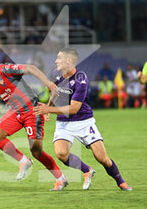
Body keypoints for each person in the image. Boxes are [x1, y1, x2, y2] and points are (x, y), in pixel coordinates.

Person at [34, 48, 132, 191]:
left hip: (84, 121)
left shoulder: (81, 78)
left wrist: (49, 110)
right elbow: (55, 91)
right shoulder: (57, 75)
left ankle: (121, 181)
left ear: (69, 61)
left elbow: (74, 108)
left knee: (102, 158)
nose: (56, 61)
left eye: (59, 58)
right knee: (61, 154)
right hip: (64, 122)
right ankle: (87, 170)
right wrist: (48, 107)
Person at [0, 49, 68, 191]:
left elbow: (31, 68)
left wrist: (48, 83)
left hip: (31, 110)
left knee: (37, 151)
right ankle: (23, 161)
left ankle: (60, 178)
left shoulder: (5, 69)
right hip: (15, 111)